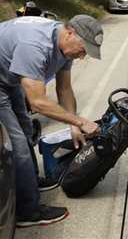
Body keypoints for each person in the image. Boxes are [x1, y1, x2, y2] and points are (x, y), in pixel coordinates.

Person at [0, 14, 103, 227]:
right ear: (70, 33)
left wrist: (73, 124)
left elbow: (64, 89)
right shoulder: (34, 46)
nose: (83, 56)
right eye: (83, 49)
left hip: (8, 78)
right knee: (16, 143)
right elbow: (38, 102)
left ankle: (29, 181)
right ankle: (27, 212)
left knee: (27, 129)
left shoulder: (65, 48)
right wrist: (82, 121)